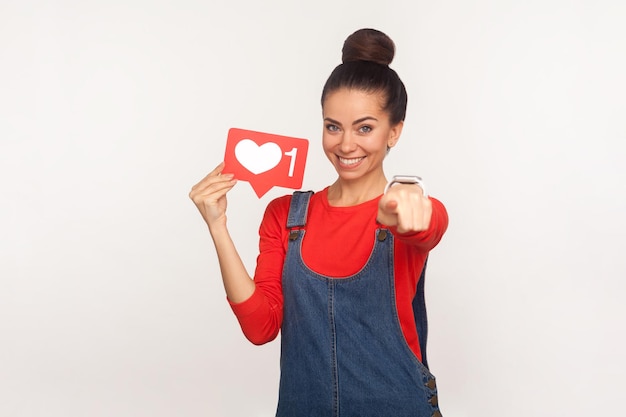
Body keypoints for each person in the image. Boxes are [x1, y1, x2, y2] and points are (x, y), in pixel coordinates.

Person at [190, 28, 448, 417]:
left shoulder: (405, 209)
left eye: (365, 128)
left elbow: (428, 225)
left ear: (394, 131)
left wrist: (413, 208)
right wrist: (217, 226)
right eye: (333, 126)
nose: (345, 145)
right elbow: (261, 328)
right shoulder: (285, 216)